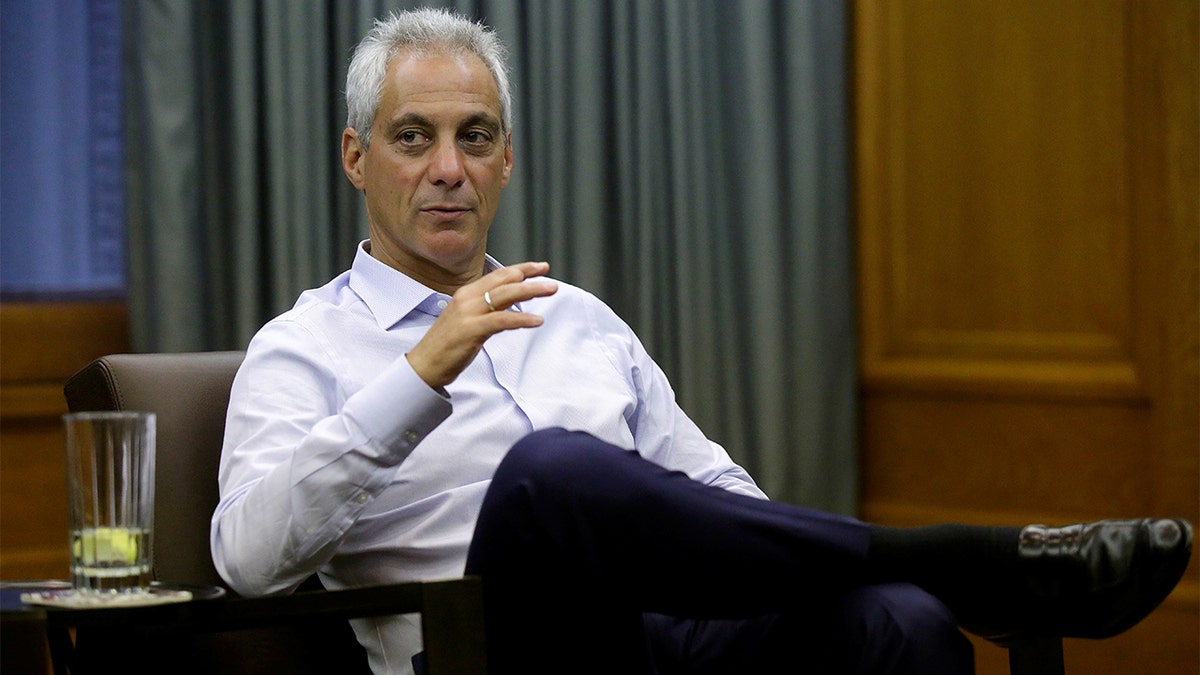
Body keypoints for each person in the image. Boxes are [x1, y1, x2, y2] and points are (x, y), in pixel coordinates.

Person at [211, 8, 1192, 675]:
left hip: (668, 637)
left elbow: (715, 498)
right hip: (492, 652)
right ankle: (962, 558)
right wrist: (420, 373)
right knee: (553, 473)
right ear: (356, 157)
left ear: (507, 159)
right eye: (412, 137)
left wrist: (805, 575)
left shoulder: (579, 318)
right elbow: (247, 560)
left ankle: (935, 578)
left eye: (474, 137)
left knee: (902, 621)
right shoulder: (305, 346)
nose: (448, 169)